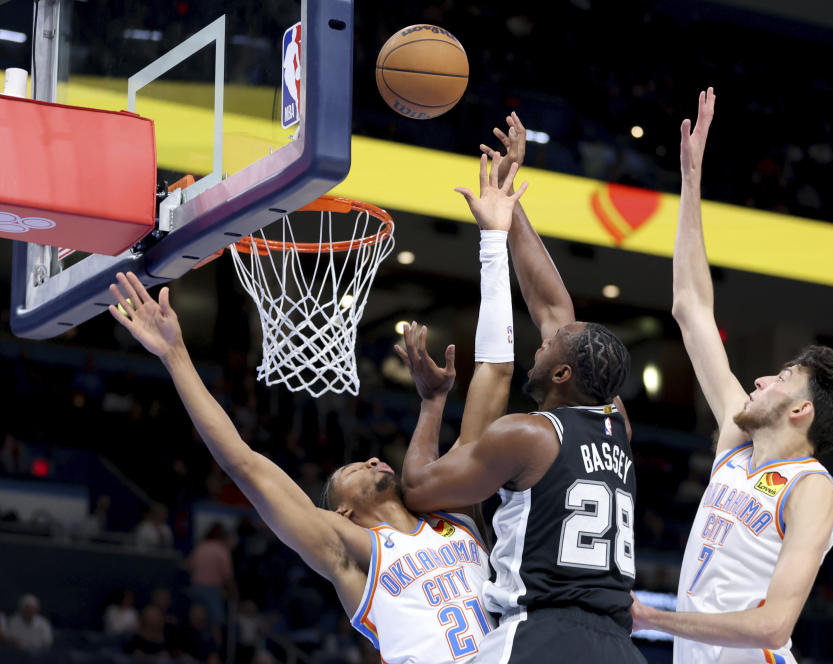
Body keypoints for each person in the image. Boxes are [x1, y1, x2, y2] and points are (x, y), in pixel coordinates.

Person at [107, 154, 519, 664]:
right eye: (352, 467)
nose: (371, 460)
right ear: (341, 509)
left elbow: (494, 378)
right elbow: (243, 462)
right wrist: (175, 354)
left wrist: (493, 241)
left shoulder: (454, 518)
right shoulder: (348, 548)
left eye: (366, 459)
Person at [629, 88, 833, 663]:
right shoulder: (737, 446)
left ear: (802, 409)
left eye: (782, 378)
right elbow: (691, 307)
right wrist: (691, 181)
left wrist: (652, 616)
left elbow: (774, 624)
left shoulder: (813, 490)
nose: (761, 381)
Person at [398, 117, 642, 663]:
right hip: (620, 647)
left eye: (548, 349)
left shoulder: (529, 436)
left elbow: (418, 489)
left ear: (562, 376)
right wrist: (510, 204)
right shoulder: (616, 422)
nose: (542, 342)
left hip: (543, 636)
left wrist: (431, 402)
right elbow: (554, 310)